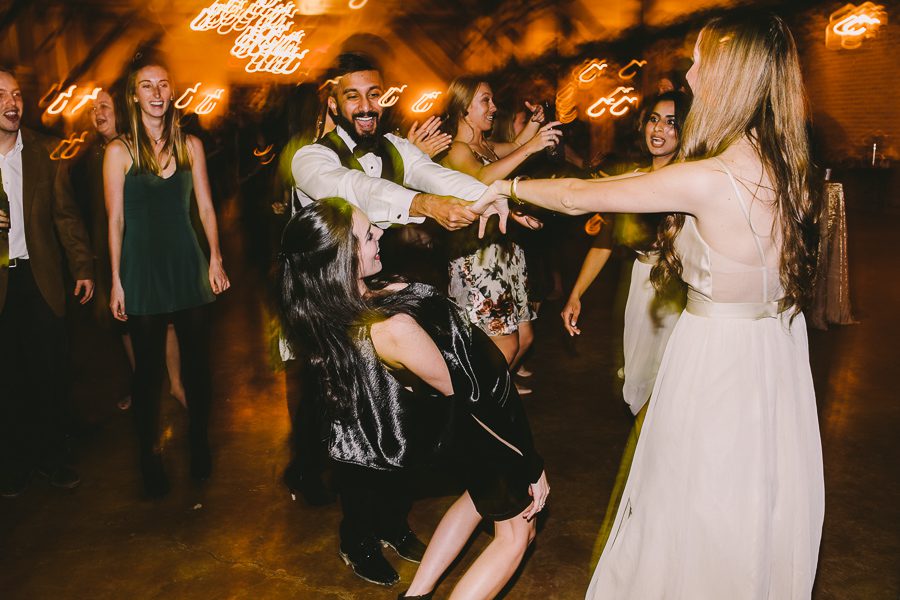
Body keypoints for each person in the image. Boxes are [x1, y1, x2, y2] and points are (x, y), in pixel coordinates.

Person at [473, 13, 824, 597]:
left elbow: (577, 195)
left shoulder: (712, 176)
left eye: (701, 62)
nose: (689, 76)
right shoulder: (789, 167)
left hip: (717, 359)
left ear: (732, 77)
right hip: (776, 354)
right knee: (757, 495)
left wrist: (503, 187)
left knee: (692, 496)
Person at [290, 52, 537, 586]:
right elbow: (358, 190)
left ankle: (392, 523)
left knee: (400, 418)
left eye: (373, 94)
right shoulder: (310, 158)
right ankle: (357, 538)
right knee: (357, 432)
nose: (366, 105)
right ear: (332, 102)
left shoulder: (395, 147)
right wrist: (424, 205)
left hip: (373, 293)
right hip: (329, 311)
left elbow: (439, 174)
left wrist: (494, 199)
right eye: (352, 95)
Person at [275, 198, 549, 599]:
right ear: (342, 260)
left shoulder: (366, 298)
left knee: (476, 500)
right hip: (488, 431)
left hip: (479, 426)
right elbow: (470, 398)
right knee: (516, 536)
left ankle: (416, 595)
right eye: (367, 235)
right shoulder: (389, 329)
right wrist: (528, 461)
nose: (380, 232)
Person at [104, 55, 230, 498]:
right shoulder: (118, 151)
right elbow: (115, 221)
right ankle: (149, 455)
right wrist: (116, 280)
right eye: (147, 86)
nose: (156, 93)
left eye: (163, 85)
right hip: (141, 268)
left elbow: (206, 207)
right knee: (148, 372)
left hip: (186, 263)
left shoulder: (190, 145)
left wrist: (215, 258)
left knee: (197, 366)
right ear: (134, 96)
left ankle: (199, 440)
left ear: (172, 91)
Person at [0, 65, 95, 497]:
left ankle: (53, 458)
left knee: (49, 373)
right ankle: (15, 463)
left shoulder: (46, 151)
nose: (12, 103)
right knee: (8, 379)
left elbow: (66, 216)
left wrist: (83, 267)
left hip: (38, 277)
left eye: (17, 94)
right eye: (2, 95)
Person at [74, 88, 186, 412]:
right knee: (123, 323)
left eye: (104, 106)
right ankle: (143, 385)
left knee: (165, 318)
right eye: (93, 108)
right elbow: (90, 211)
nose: (97, 113)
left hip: (145, 247)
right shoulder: (90, 157)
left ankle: (176, 384)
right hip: (110, 250)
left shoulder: (138, 148)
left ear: (120, 110)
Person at [441, 77, 559, 381]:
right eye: (486, 100)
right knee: (506, 345)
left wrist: (535, 123)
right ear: (464, 108)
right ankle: (475, 401)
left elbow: (517, 146)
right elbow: (481, 179)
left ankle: (490, 396)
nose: (494, 107)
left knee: (525, 337)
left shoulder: (486, 145)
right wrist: (531, 146)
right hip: (479, 258)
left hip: (507, 253)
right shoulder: (456, 150)